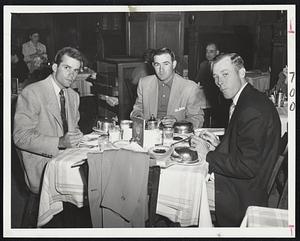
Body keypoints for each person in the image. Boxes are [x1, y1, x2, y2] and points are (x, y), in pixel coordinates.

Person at [191, 53, 281, 226]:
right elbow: (247, 143)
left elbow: (247, 167)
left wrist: (208, 154)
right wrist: (220, 144)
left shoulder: (252, 109)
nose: (219, 82)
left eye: (225, 74)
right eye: (216, 77)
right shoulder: (248, 98)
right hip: (247, 183)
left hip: (242, 192)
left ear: (241, 73)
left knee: (184, 190)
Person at [13, 47, 84, 226]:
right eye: (67, 68)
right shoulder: (32, 92)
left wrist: (77, 136)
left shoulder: (73, 96)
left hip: (66, 163)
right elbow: (20, 136)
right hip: (42, 166)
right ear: (54, 67)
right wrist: (60, 142)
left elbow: (72, 129)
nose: (72, 75)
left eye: (76, 70)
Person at [130, 47, 204, 128]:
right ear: (153, 65)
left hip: (176, 135)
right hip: (150, 133)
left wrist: (177, 123)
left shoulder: (190, 87)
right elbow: (137, 109)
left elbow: (197, 119)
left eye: (166, 64)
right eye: (157, 64)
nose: (161, 70)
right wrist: (139, 117)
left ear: (174, 64)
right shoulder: (144, 83)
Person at [195, 43, 230, 127]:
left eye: (211, 51)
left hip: (220, 98)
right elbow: (198, 81)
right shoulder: (203, 65)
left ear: (217, 52)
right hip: (206, 96)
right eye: (207, 51)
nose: (208, 54)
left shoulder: (222, 65)